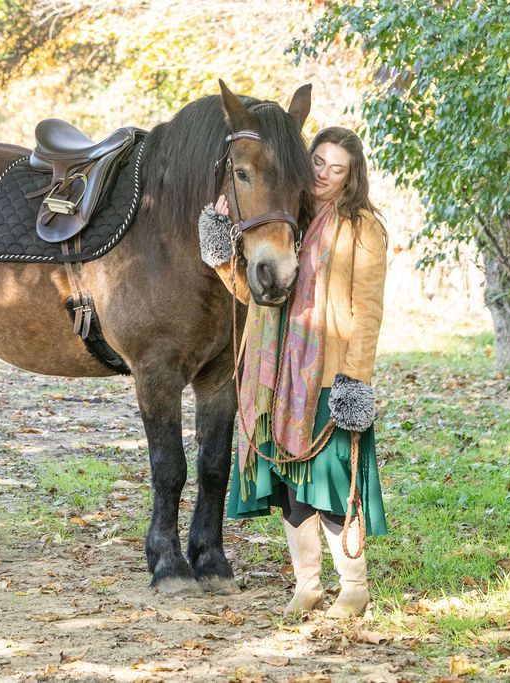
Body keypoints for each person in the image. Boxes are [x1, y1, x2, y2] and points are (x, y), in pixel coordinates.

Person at [198, 126, 388, 618]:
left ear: (352, 175)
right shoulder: (289, 220)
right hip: (274, 375)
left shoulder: (362, 227)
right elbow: (253, 294)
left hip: (328, 375)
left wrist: (354, 381)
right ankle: (307, 586)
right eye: (318, 163)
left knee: (328, 485)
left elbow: (367, 310)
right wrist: (222, 254)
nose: (324, 174)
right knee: (289, 486)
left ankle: (354, 588)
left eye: (337, 168)